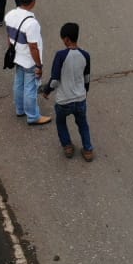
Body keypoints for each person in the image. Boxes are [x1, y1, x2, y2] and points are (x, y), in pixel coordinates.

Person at [42, 22, 94, 161]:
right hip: (80, 98)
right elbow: (87, 78)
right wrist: (85, 91)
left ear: (66, 39)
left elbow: (55, 79)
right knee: (83, 124)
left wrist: (47, 91)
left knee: (61, 122)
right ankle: (88, 149)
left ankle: (68, 146)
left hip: (64, 100)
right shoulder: (85, 55)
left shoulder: (60, 55)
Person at [4, 0, 50, 125]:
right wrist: (39, 65)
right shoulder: (32, 23)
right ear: (32, 2)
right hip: (29, 61)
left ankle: (20, 109)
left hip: (17, 56)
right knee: (31, 88)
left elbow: (9, 36)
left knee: (19, 84)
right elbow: (33, 47)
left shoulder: (10, 15)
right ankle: (33, 116)